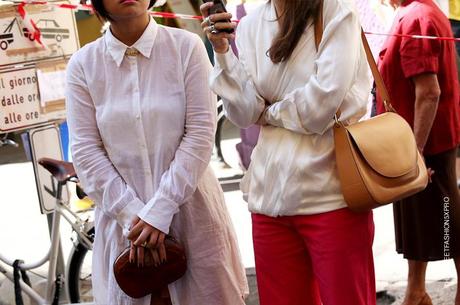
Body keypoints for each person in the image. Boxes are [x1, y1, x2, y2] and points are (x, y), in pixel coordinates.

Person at [65, 0, 249, 304]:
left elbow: (200, 133)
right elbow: (85, 151)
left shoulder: (186, 47)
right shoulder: (84, 65)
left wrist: (161, 210)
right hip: (124, 227)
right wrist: (135, 217)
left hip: (191, 211)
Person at [201, 0, 376, 304]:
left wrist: (267, 113)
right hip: (269, 199)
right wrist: (222, 51)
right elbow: (243, 112)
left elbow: (320, 107)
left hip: (332, 194)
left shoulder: (334, 11)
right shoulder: (253, 23)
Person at [376, 0, 460, 304]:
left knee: (448, 219)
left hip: (426, 141)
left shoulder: (416, 17)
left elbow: (429, 91)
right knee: (417, 219)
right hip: (415, 139)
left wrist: (416, 151)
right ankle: (415, 290)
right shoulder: (416, 11)